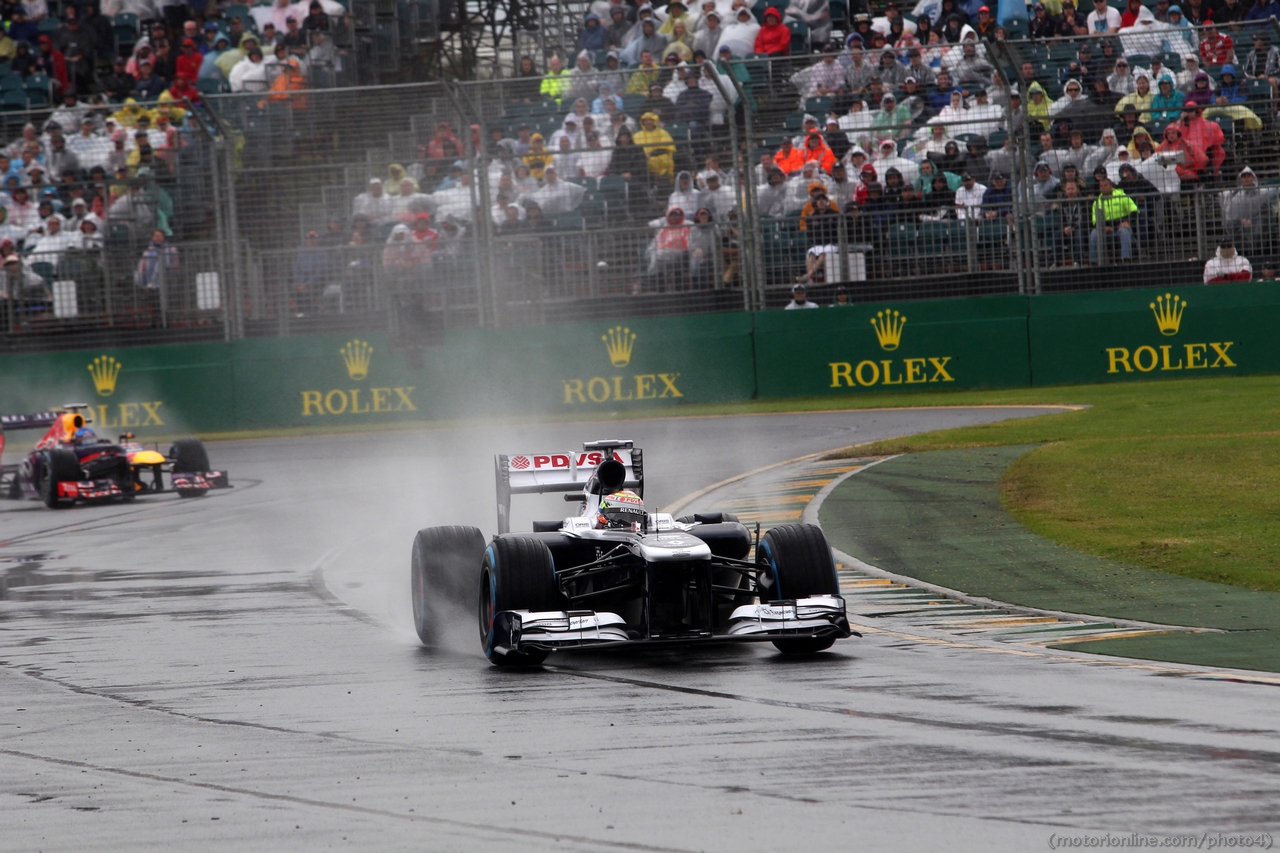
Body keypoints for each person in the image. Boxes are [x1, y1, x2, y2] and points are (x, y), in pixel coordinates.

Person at [1090, 174, 1138, 262]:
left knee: (1124, 231)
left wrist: (1128, 221)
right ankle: (1094, 261)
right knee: (1094, 233)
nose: (1103, 188)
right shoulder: (1097, 202)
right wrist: (1103, 227)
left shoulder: (1121, 196)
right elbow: (1095, 220)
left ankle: (1126, 259)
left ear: (1111, 185)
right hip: (1105, 228)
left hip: (1120, 226)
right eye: (1101, 186)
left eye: (1105, 185)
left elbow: (1134, 211)